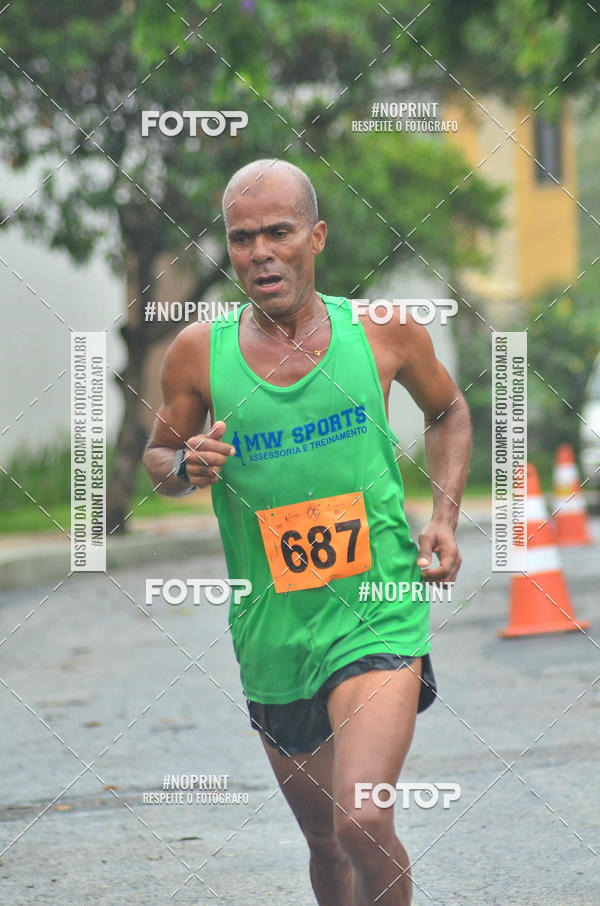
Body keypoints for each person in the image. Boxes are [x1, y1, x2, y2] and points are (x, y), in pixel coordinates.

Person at [143, 158, 471, 906]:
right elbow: (158, 460)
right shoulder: (198, 352)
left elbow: (449, 410)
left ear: (316, 237)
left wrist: (444, 517)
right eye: (242, 238)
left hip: (376, 610)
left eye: (279, 232)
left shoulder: (383, 332)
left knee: (362, 820)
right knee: (325, 841)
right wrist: (186, 463)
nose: (260, 252)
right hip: (273, 629)